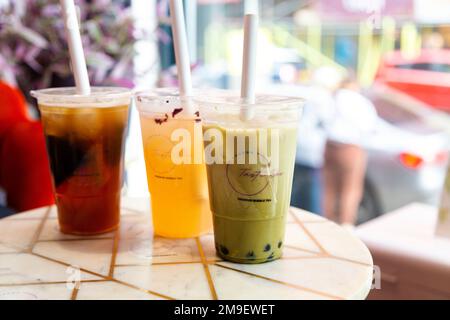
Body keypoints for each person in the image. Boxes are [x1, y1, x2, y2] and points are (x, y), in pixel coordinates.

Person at [323, 78, 378, 227]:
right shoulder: (361, 102)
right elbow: (369, 127)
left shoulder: (332, 98)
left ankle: (328, 224)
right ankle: (346, 225)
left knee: (329, 188)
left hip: (330, 145)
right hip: (351, 147)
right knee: (351, 189)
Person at [291, 67, 340, 214]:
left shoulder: (305, 92)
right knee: (312, 196)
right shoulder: (324, 97)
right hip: (311, 151)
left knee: (293, 192)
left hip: (297, 147)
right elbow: (328, 122)